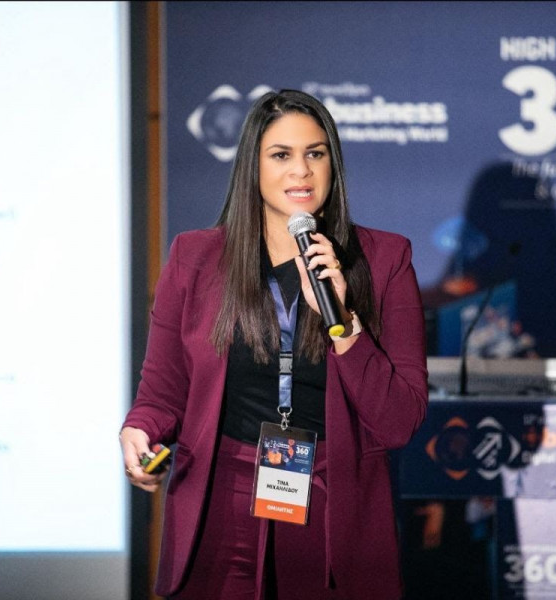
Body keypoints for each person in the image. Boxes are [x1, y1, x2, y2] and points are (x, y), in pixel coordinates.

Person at [119, 89, 428, 600]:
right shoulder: (195, 257)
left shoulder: (384, 259)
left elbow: (399, 421)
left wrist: (345, 324)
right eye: (281, 155)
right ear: (253, 166)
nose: (300, 171)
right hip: (221, 500)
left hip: (332, 507)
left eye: (315, 153)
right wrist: (140, 429)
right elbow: (163, 390)